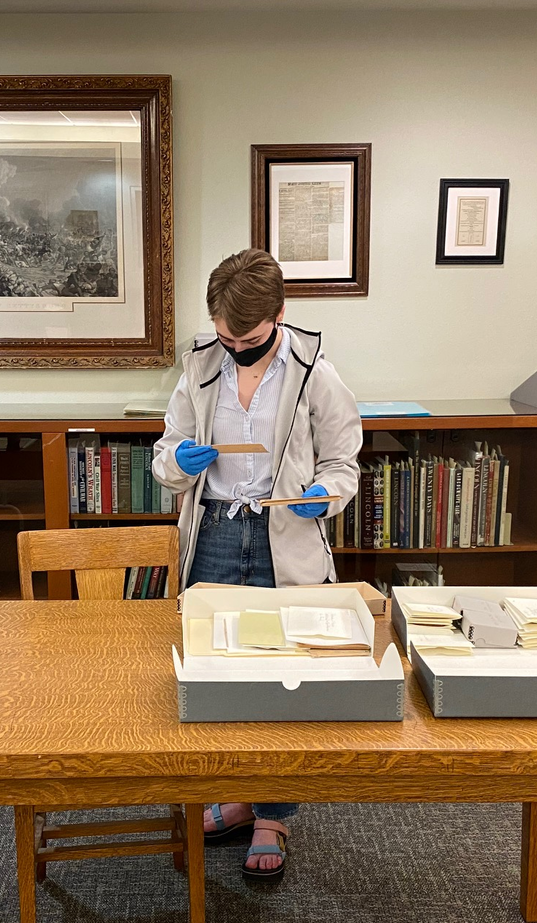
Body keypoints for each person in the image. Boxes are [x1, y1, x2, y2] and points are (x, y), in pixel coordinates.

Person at [152, 249, 362, 885]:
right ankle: (238, 795)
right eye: (223, 335)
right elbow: (165, 458)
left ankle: (273, 815)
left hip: (283, 537)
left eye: (245, 338)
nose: (232, 348)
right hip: (214, 534)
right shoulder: (199, 365)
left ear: (277, 316)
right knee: (216, 676)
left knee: (284, 682)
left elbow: (343, 464)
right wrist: (180, 463)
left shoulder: (315, 373)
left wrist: (324, 496)